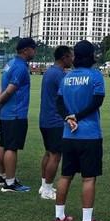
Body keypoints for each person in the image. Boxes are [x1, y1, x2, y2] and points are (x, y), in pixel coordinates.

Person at [52, 40, 107, 221]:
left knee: (65, 176)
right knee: (89, 178)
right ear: (91, 56)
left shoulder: (66, 78)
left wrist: (68, 117)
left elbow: (59, 102)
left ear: (75, 57)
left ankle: (59, 217)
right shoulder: (95, 76)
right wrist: (78, 116)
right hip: (89, 135)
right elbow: (97, 101)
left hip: (69, 134)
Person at [0, 37, 36, 193]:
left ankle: (2, 176)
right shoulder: (20, 67)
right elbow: (9, 89)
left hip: (6, 112)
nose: (34, 51)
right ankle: (10, 183)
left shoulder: (10, 64)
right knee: (11, 148)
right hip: (15, 113)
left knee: (3, 144)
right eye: (33, 48)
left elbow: (1, 87)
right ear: (25, 50)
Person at [38, 45, 73, 200]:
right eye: (70, 56)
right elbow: (66, 97)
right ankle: (47, 189)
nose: (72, 59)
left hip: (45, 119)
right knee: (55, 155)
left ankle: (43, 185)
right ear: (64, 57)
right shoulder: (59, 75)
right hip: (55, 120)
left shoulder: (50, 72)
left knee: (48, 152)